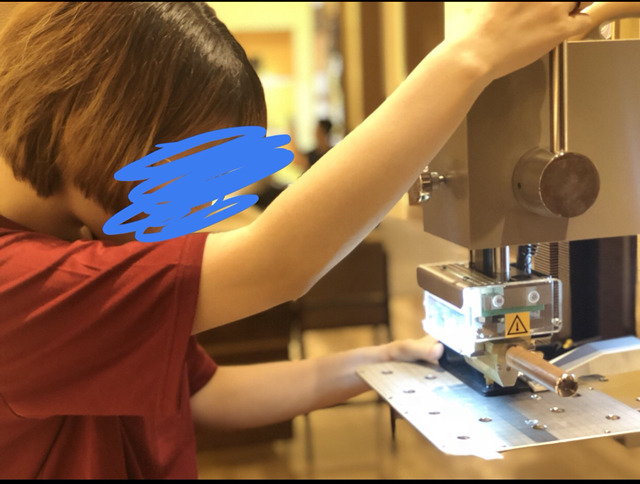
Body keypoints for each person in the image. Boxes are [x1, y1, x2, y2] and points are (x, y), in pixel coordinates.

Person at [0, 2, 594, 479]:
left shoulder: (72, 241)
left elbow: (204, 392)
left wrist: (379, 361)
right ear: (98, 116)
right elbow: (277, 263)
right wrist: (471, 55)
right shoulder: (19, 281)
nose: (197, 211)